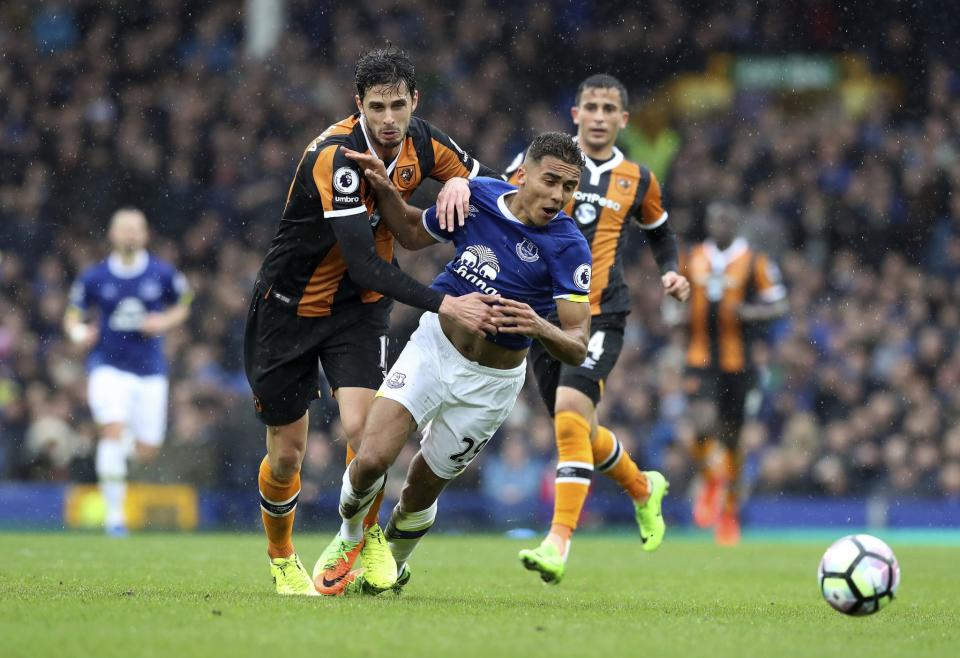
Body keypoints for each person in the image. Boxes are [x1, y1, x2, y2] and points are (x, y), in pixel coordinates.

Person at [244, 46, 502, 595]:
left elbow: (497, 189)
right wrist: (444, 302)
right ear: (358, 104)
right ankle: (282, 555)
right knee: (286, 454)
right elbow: (362, 260)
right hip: (288, 310)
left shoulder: (426, 141)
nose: (389, 120)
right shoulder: (335, 155)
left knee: (366, 433)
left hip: (356, 312)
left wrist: (463, 183)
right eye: (377, 107)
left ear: (415, 101)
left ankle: (361, 538)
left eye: (398, 106)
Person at [313, 132, 593, 596]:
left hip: (492, 383)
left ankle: (391, 570)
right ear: (523, 174)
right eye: (551, 181)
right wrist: (385, 187)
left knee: (420, 489)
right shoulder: (478, 196)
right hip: (434, 348)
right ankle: (347, 540)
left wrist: (538, 326)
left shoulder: (568, 247)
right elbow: (408, 232)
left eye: (570, 187)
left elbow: (579, 345)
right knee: (371, 460)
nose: (559, 196)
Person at [505, 74, 690, 584]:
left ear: (624, 120)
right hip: (544, 315)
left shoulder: (637, 178)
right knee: (579, 429)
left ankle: (557, 542)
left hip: (600, 314)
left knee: (568, 415)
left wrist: (671, 269)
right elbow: (501, 204)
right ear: (576, 114)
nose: (601, 116)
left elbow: (660, 233)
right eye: (592, 106)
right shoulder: (538, 162)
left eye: (611, 108)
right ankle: (641, 487)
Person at [64, 208, 192, 535]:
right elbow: (72, 316)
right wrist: (79, 333)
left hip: (150, 370)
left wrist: (163, 321)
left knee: (146, 450)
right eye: (124, 229)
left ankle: (120, 448)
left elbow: (184, 302)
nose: (130, 235)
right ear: (112, 234)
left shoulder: (161, 273)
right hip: (107, 366)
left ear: (145, 234)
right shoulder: (95, 277)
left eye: (136, 229)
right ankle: (115, 517)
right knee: (112, 429)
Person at [681, 201, 788, 545]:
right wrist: (673, 308)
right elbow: (677, 294)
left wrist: (750, 313)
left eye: (727, 219)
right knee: (701, 426)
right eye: (715, 219)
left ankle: (728, 511)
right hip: (699, 358)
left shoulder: (755, 261)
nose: (720, 225)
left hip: (739, 363)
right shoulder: (693, 256)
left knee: (731, 440)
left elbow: (780, 304)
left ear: (736, 224)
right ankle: (710, 482)